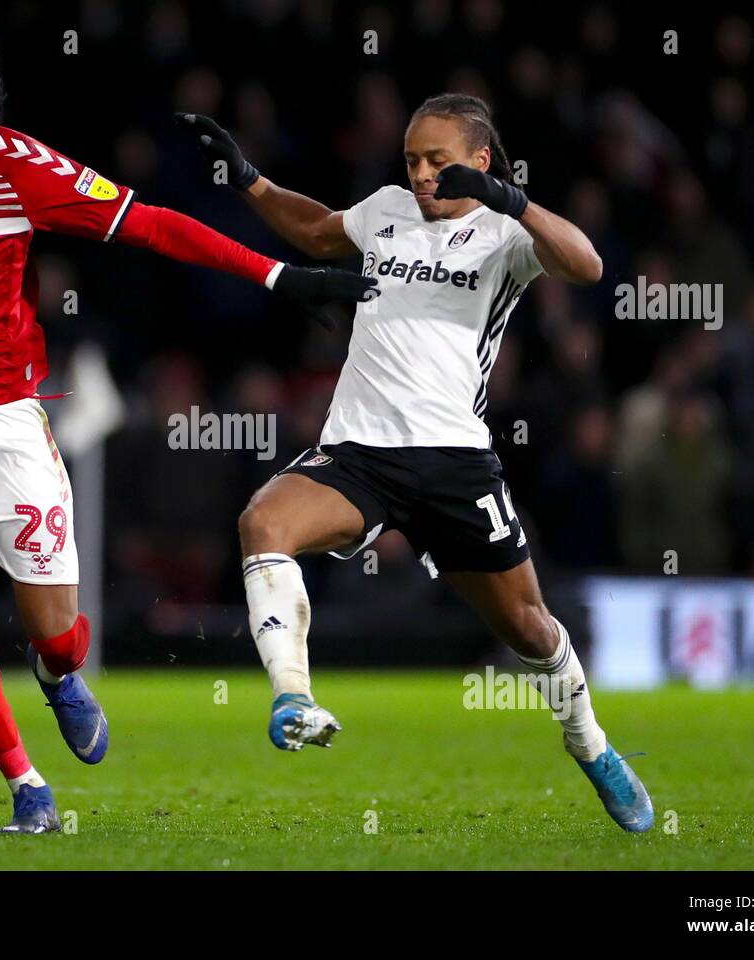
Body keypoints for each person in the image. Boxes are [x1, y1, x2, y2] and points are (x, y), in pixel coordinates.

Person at [0, 35, 375, 834]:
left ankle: (57, 677)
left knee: (58, 635)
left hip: (12, 418)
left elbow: (149, 225)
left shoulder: (21, 167)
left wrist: (277, 275)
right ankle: (27, 785)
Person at [177, 93, 654, 832]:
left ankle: (591, 745)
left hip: (454, 463)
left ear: (482, 160)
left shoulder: (505, 233)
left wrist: (512, 202)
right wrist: (247, 178)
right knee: (263, 522)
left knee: (529, 629)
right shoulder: (387, 209)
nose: (423, 174)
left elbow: (586, 265)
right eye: (412, 160)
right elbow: (317, 229)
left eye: (438, 160)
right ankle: (294, 698)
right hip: (357, 451)